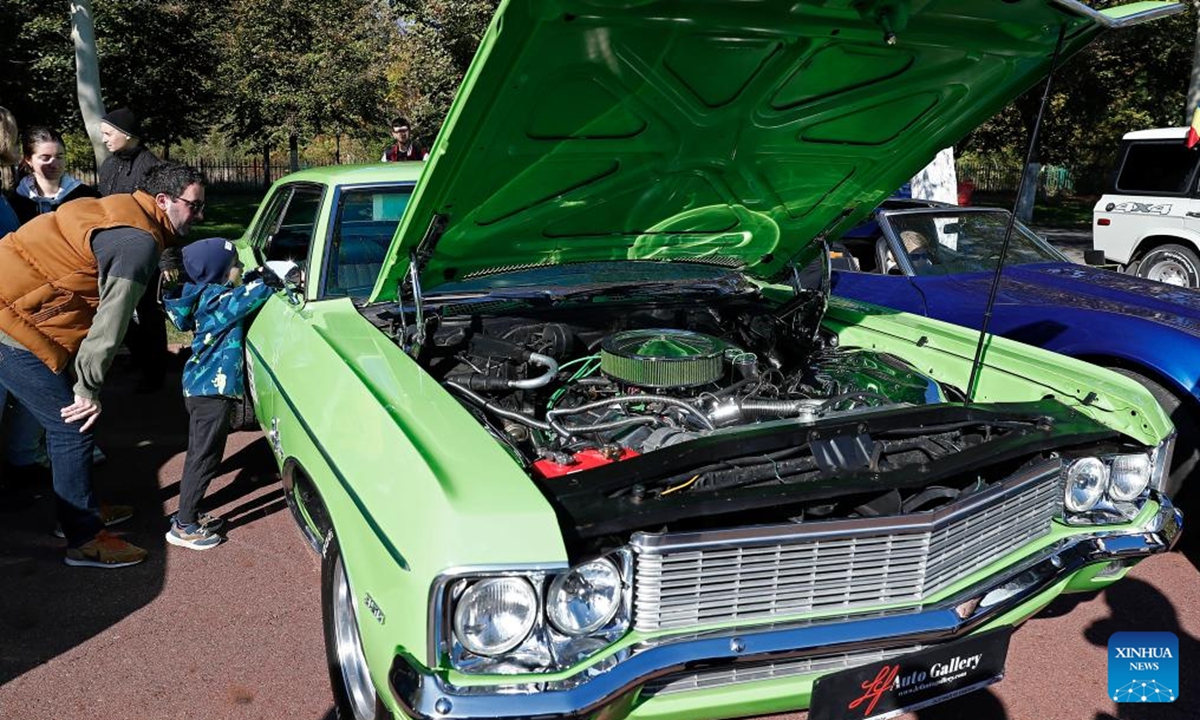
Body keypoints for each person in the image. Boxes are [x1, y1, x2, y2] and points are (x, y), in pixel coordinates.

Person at [0, 161, 205, 567]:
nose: (201, 215)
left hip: (20, 313)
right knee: (73, 422)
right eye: (194, 206)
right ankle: (83, 538)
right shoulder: (138, 243)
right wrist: (87, 387)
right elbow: (111, 322)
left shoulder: (122, 209)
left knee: (66, 422)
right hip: (9, 324)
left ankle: (80, 508)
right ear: (163, 201)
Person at [162, 238, 276, 550]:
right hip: (209, 392)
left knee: (205, 453)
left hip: (202, 389)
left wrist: (253, 278)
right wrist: (272, 279)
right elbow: (245, 300)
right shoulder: (215, 300)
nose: (240, 267)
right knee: (203, 457)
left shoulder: (205, 293)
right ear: (220, 272)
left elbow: (239, 293)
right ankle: (184, 525)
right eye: (235, 263)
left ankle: (191, 513)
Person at [97, 108, 169, 393]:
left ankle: (155, 373)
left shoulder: (151, 167)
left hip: (145, 252)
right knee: (116, 312)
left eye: (108, 133)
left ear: (127, 135)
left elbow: (163, 216)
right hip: (113, 250)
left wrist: (168, 260)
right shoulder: (108, 166)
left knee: (149, 313)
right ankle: (142, 356)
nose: (104, 140)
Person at [11, 127, 101, 225]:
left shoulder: (88, 197)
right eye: (45, 158)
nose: (54, 164)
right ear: (28, 160)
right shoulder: (15, 202)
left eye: (59, 157)